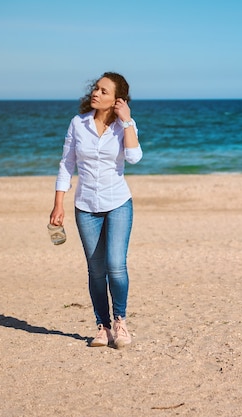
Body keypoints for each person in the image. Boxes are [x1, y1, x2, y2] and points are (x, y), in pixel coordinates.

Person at [49, 72, 143, 348]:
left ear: (117, 99)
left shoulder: (125, 125)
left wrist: (126, 120)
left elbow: (135, 158)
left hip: (118, 203)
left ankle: (121, 322)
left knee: (116, 265)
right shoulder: (78, 124)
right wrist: (58, 204)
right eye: (96, 89)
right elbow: (66, 165)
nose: (96, 93)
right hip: (86, 206)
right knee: (96, 270)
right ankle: (102, 327)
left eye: (104, 91)